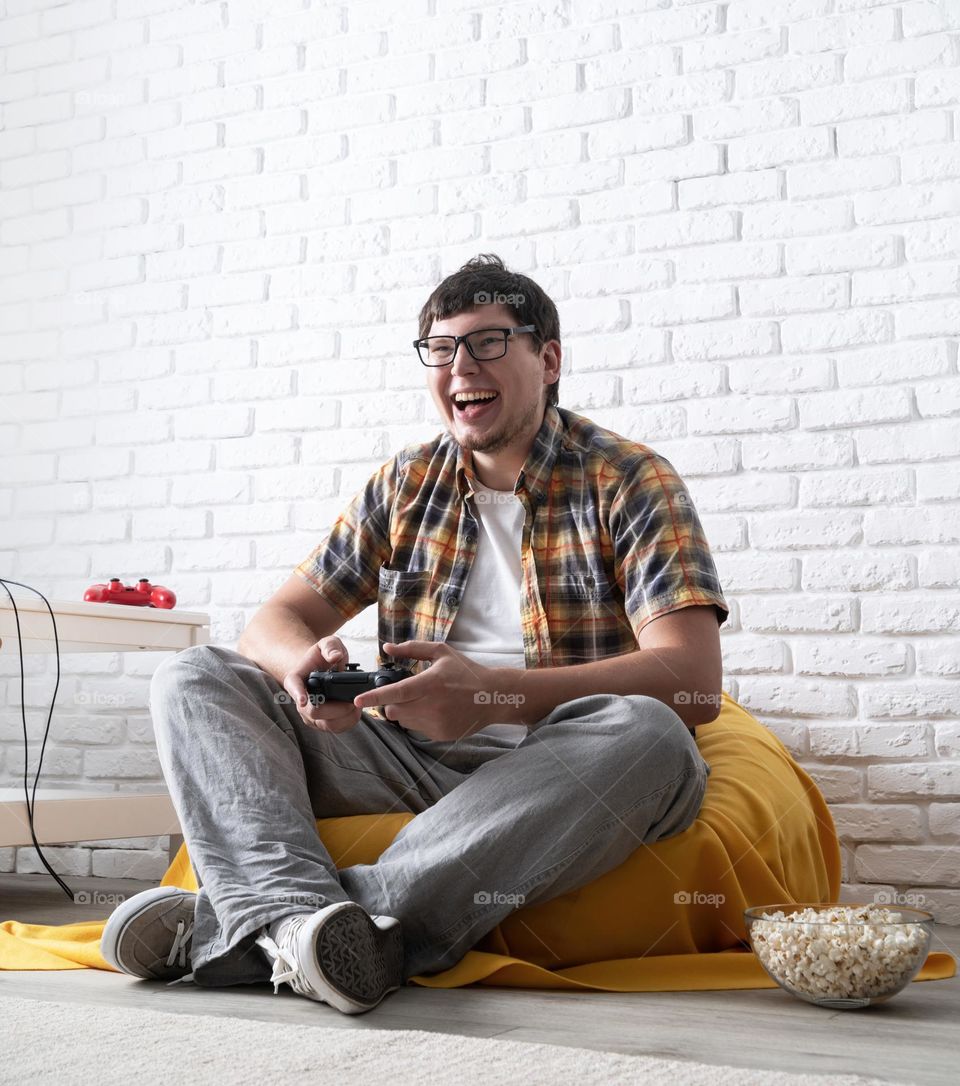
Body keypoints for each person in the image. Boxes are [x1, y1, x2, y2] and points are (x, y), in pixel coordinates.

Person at [101, 253, 729, 1015]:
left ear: (549, 360)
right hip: (407, 759)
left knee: (650, 732)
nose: (461, 365)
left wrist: (491, 696)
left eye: (489, 342)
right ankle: (301, 931)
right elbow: (274, 621)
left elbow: (693, 681)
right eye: (441, 348)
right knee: (197, 674)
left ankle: (255, 926)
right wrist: (303, 666)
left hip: (557, 771)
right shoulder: (407, 483)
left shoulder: (629, 479)